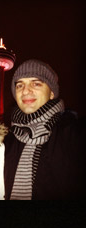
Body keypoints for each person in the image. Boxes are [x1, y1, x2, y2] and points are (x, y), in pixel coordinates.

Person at [5, 60, 85, 199]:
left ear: (52, 93)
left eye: (36, 84)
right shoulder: (6, 141)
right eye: (19, 85)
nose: (25, 91)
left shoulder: (74, 133)